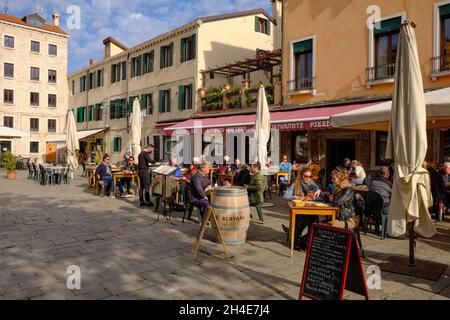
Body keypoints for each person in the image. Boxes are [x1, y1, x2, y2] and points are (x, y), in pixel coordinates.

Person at [282, 167, 322, 250]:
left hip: (308, 207)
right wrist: (298, 197)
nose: (308, 178)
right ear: (301, 176)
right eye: (306, 176)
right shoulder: (295, 183)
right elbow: (285, 196)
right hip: (298, 208)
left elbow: (316, 192)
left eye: (310, 176)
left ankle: (305, 240)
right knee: (302, 220)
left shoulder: (312, 183)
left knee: (315, 220)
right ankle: (295, 240)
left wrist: (318, 190)